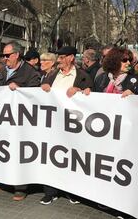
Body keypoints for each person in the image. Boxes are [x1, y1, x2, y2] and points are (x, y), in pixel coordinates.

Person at [40, 46, 93, 205]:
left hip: (73, 126)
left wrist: (79, 89)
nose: (59, 60)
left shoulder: (83, 76)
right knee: (50, 156)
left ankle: (72, 191)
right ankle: (50, 192)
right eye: (58, 57)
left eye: (62, 57)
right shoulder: (52, 75)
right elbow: (41, 95)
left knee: (71, 158)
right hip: (52, 125)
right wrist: (44, 87)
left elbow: (92, 96)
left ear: (71, 58)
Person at [0, 41, 41, 201]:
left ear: (17, 54)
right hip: (4, 117)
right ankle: (3, 181)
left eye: (7, 55)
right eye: (3, 55)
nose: (4, 58)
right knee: (4, 149)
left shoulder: (30, 71)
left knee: (19, 151)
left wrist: (20, 90)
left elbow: (35, 93)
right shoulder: (2, 70)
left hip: (21, 120)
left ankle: (20, 187)